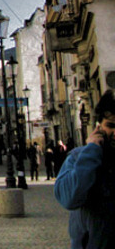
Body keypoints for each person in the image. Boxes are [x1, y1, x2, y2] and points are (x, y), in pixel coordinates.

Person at [54, 89, 115, 249]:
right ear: (99, 126)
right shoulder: (78, 157)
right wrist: (92, 151)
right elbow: (69, 198)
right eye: (110, 125)